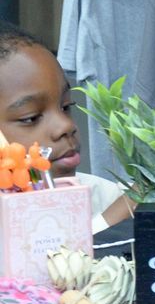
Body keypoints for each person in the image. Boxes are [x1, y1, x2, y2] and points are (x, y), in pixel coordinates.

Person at [0, 23, 132, 228]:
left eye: (66, 106)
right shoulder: (116, 210)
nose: (66, 126)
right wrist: (110, 221)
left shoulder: (102, 197)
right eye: (31, 118)